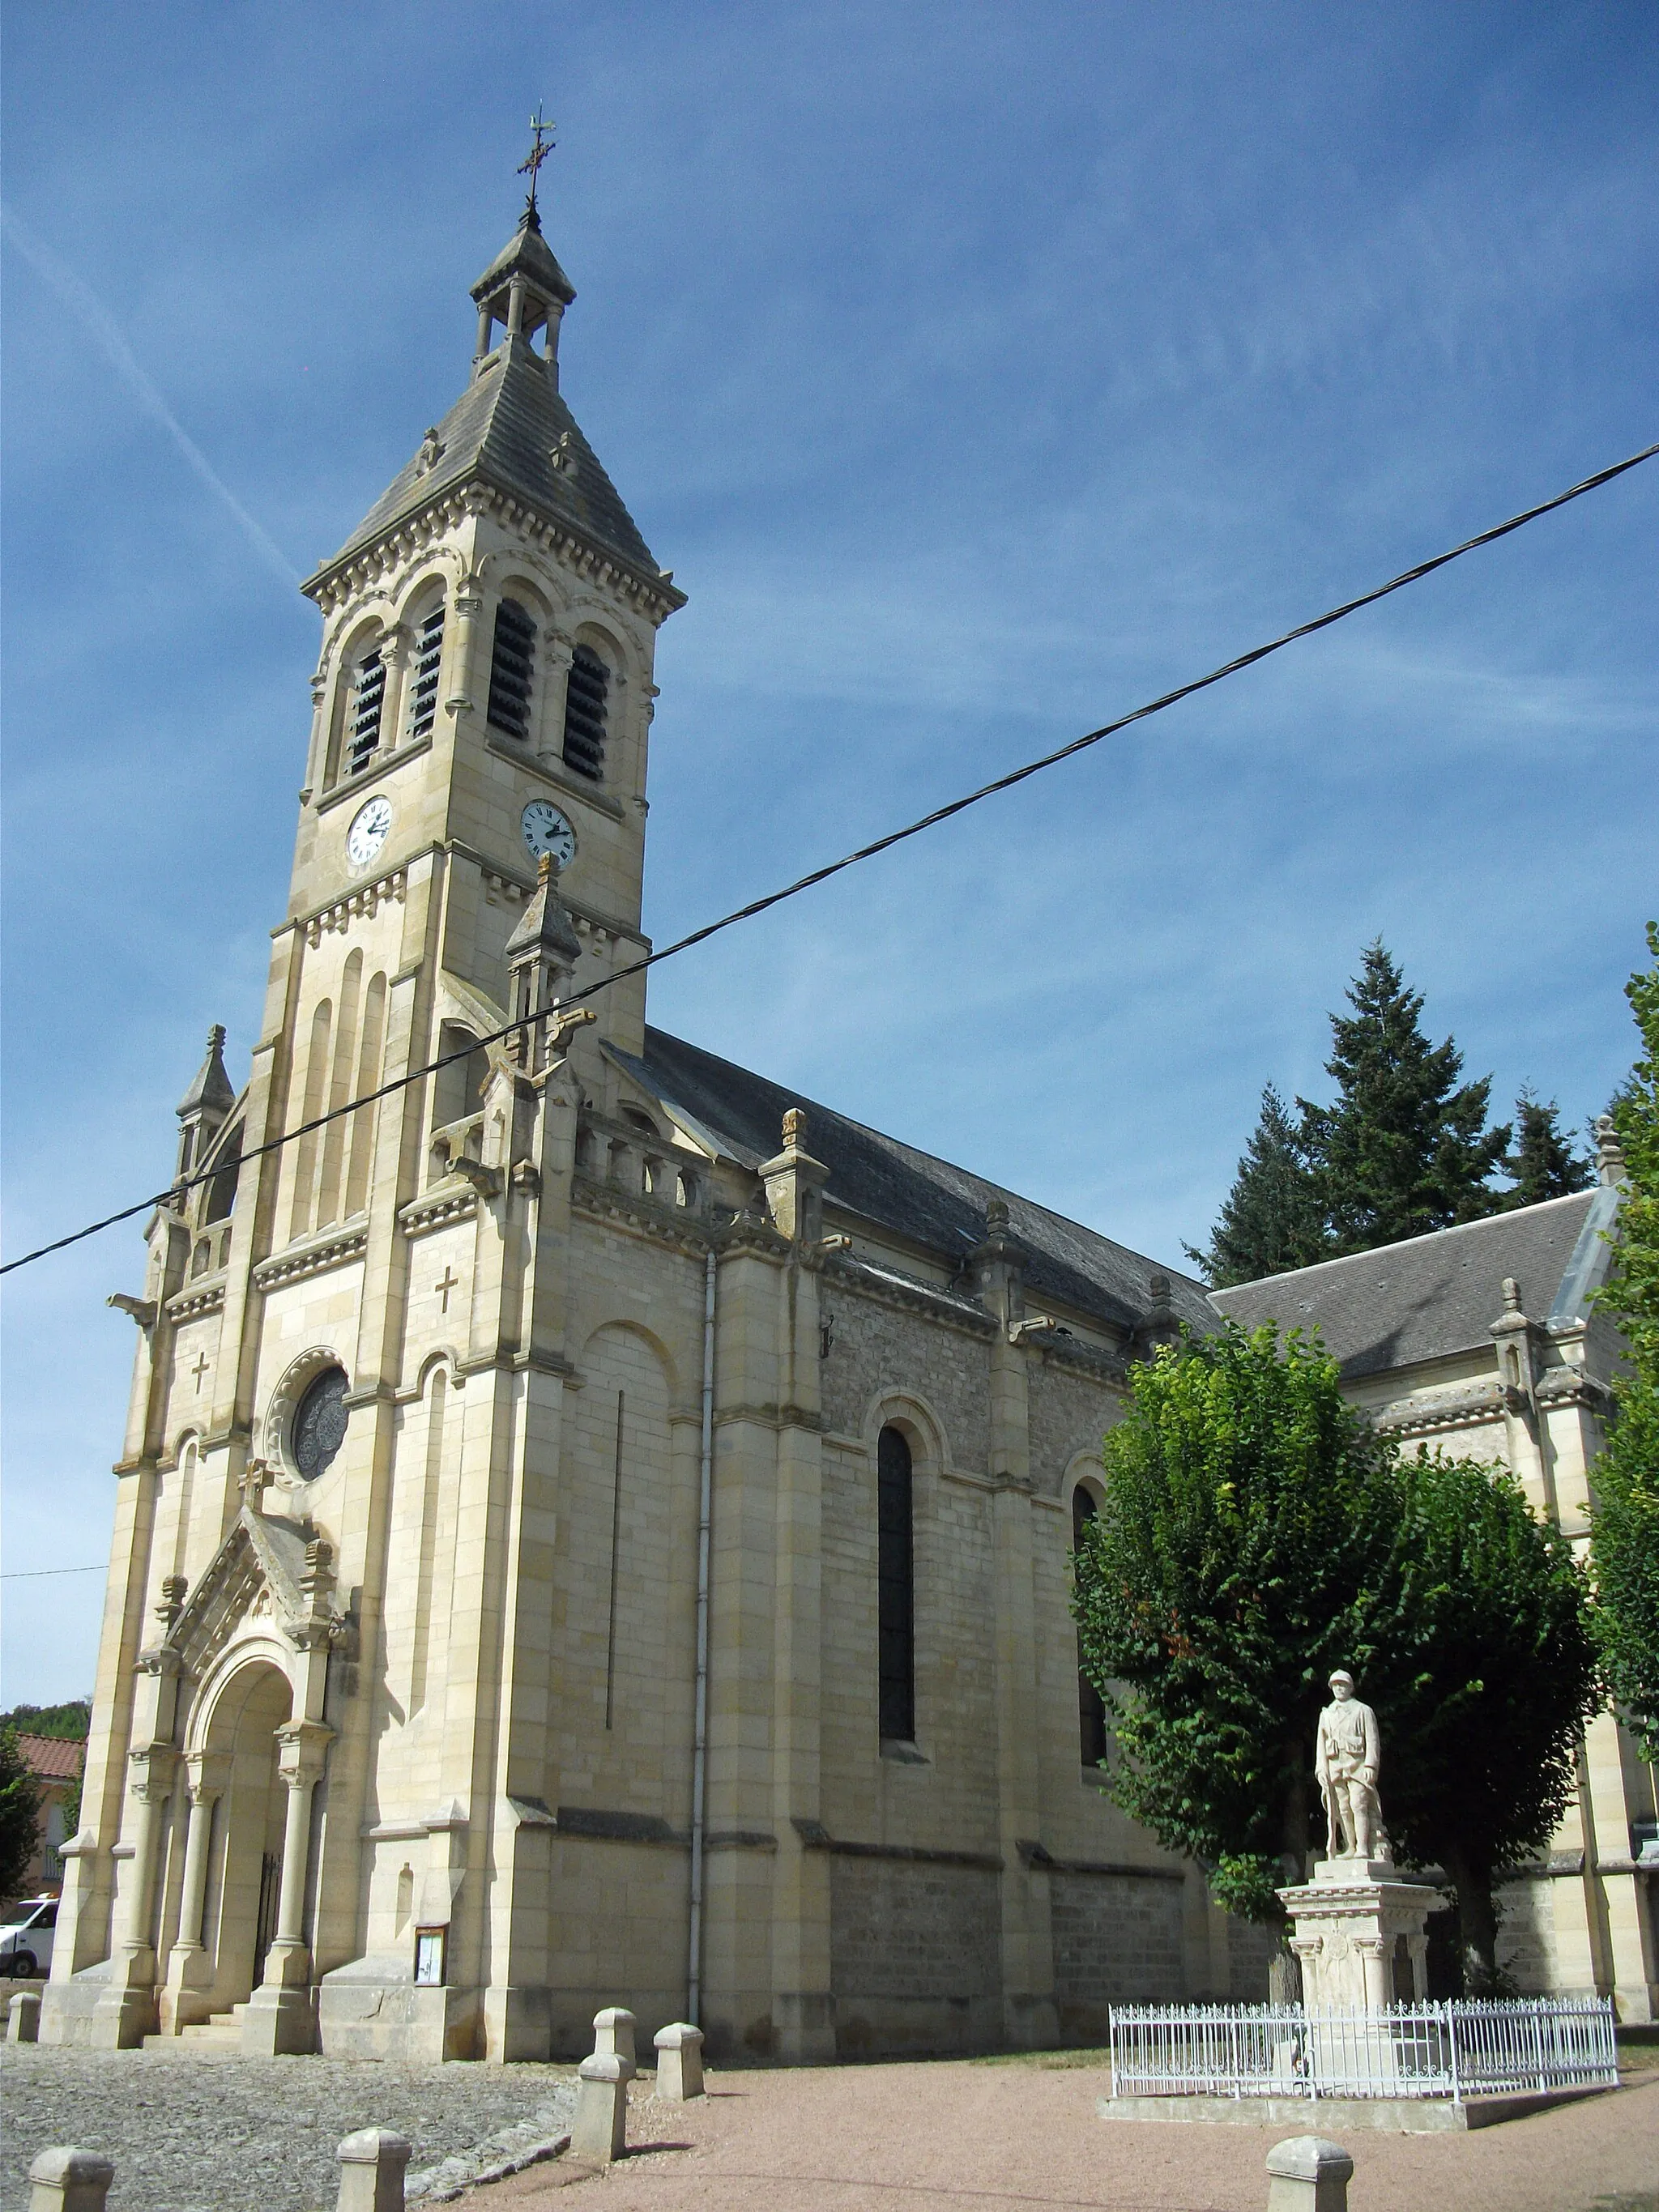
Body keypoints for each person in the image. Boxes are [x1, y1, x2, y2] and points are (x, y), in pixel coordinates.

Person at [1316, 1670, 1383, 1860]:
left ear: (1351, 1688)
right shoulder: (1326, 1714)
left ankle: (1363, 1847)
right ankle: (1350, 1846)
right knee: (1342, 1807)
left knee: (1358, 1804)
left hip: (1357, 1764)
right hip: (1335, 1765)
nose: (1338, 1688)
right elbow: (1321, 1744)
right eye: (1335, 1685)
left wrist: (1371, 1765)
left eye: (1342, 1685)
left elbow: (1372, 1740)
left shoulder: (1363, 1710)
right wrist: (1321, 1768)